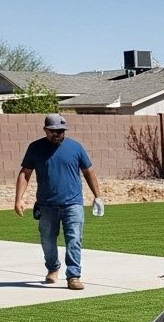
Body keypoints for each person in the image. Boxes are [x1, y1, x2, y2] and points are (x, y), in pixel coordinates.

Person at [14, 114, 104, 290]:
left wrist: (98, 196)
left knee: (74, 239)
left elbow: (89, 172)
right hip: (46, 204)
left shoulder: (75, 147)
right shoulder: (35, 148)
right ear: (45, 130)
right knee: (47, 240)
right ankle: (53, 267)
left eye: (61, 131)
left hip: (73, 203)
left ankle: (74, 276)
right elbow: (25, 173)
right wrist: (19, 199)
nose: (57, 134)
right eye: (53, 131)